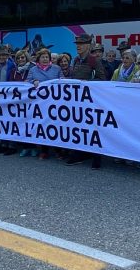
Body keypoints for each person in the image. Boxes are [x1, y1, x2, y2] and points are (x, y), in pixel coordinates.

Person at [66, 33, 106, 169]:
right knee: (78, 127)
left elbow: (102, 79)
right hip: (76, 100)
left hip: (89, 100)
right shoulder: (76, 60)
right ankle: (79, 153)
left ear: (88, 45)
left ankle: (97, 157)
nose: (78, 46)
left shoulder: (94, 60)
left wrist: (87, 83)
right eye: (77, 44)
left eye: (81, 44)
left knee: (93, 128)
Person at [27, 48, 63, 159]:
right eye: (43, 57)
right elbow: (27, 81)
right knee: (42, 125)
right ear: (39, 59)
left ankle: (58, 150)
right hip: (40, 103)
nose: (45, 59)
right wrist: (33, 82)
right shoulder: (33, 70)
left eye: (47, 57)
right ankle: (44, 150)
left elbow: (63, 80)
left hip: (54, 102)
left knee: (55, 125)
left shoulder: (57, 68)